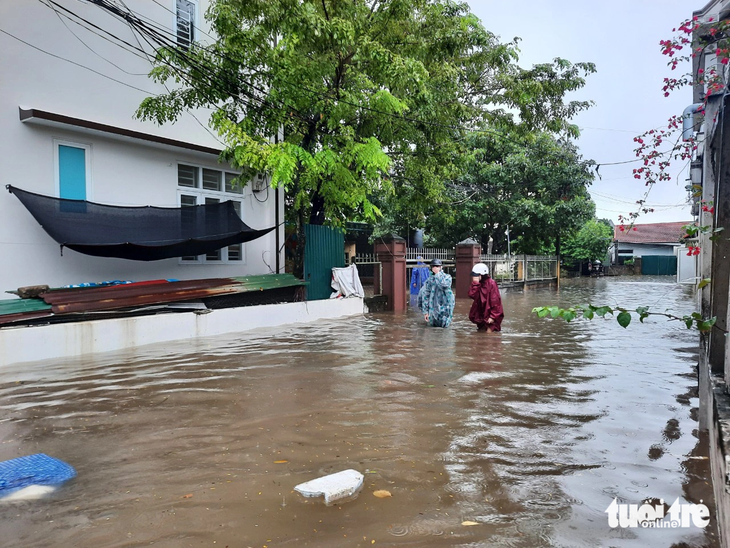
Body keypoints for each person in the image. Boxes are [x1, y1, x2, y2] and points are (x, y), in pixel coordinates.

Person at [417, 259, 455, 328]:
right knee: (433, 331)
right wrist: (425, 312)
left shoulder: (447, 277)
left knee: (445, 330)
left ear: (441, 267)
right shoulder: (429, 281)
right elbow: (424, 296)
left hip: (445, 310)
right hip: (432, 311)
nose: (435, 268)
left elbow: (444, 285)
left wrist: (438, 274)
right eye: (434, 266)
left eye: (437, 266)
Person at [468, 263, 504, 332]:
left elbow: (496, 301)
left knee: (489, 337)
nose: (474, 277)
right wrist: (475, 284)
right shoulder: (477, 284)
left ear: (481, 275)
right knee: (481, 334)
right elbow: (472, 295)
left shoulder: (491, 284)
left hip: (490, 315)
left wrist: (493, 316)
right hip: (480, 315)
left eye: (476, 275)